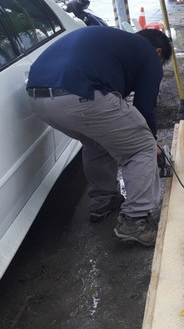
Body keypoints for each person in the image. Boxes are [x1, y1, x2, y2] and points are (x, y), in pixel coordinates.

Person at [26, 27, 172, 247]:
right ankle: (135, 221)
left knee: (97, 139)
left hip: (38, 100)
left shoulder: (113, 43)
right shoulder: (148, 55)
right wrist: (151, 144)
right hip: (79, 95)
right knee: (139, 147)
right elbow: (145, 107)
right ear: (158, 52)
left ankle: (103, 200)